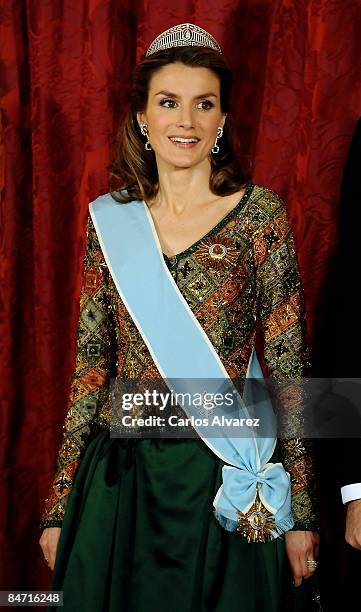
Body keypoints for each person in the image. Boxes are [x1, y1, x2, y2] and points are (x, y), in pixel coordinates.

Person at [39, 23, 319, 612]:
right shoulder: (109, 222)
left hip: (225, 473)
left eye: (203, 104)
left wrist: (303, 509)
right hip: (124, 478)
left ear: (222, 120)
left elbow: (289, 367)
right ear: (143, 117)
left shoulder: (258, 215)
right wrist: (61, 506)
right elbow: (91, 368)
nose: (185, 121)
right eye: (168, 103)